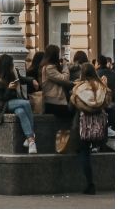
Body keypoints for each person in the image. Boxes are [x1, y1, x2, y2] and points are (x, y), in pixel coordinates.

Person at [70, 62, 111, 194]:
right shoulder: (102, 87)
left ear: (82, 73)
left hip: (82, 126)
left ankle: (90, 184)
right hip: (99, 125)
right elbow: (107, 103)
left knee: (83, 153)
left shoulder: (78, 88)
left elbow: (71, 107)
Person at [40, 45, 75, 131]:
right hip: (54, 102)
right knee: (73, 115)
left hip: (55, 101)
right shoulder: (49, 68)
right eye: (58, 54)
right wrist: (65, 65)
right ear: (54, 55)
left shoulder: (50, 67)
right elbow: (64, 79)